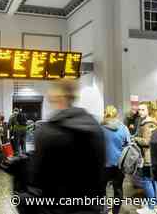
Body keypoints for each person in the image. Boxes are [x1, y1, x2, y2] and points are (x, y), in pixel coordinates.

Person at [12, 80, 106, 214]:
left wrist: (18, 178)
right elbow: (100, 176)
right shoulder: (96, 128)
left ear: (57, 97)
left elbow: (37, 188)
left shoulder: (48, 132)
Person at [101, 105, 131, 214]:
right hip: (119, 164)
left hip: (103, 165)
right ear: (116, 114)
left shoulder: (100, 129)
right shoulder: (123, 128)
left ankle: (104, 210)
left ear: (105, 114)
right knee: (118, 189)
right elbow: (128, 145)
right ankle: (116, 212)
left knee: (102, 190)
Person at [134, 101, 157, 214]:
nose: (140, 112)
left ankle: (151, 207)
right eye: (139, 109)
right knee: (153, 181)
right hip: (154, 157)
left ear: (149, 110)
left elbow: (147, 142)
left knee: (146, 181)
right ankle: (156, 205)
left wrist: (135, 139)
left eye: (143, 109)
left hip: (148, 157)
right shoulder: (151, 122)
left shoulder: (147, 123)